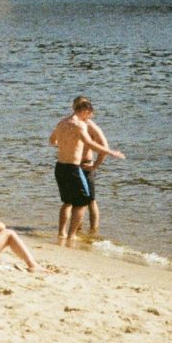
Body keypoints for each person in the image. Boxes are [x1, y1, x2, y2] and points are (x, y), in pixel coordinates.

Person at [49, 96, 123, 246]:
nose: (90, 117)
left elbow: (52, 141)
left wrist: (66, 145)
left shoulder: (61, 123)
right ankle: (72, 236)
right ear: (85, 111)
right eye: (89, 114)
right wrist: (111, 152)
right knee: (82, 203)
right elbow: (89, 143)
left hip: (60, 167)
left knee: (67, 202)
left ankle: (61, 233)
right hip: (73, 168)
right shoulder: (80, 125)